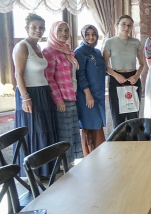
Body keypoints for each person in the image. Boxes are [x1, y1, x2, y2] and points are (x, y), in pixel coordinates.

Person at [13, 13, 58, 176]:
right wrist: (25, 98)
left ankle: (46, 169)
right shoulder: (22, 46)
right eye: (34, 27)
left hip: (43, 92)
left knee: (45, 129)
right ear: (27, 28)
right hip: (30, 93)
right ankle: (33, 171)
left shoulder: (38, 47)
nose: (38, 30)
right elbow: (18, 74)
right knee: (34, 130)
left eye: (41, 27)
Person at [43, 21, 83, 163]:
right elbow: (49, 78)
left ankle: (70, 163)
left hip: (72, 96)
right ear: (53, 32)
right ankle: (63, 164)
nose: (64, 33)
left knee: (72, 130)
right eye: (60, 30)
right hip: (61, 99)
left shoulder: (68, 51)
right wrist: (59, 100)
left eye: (66, 30)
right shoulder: (49, 51)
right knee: (64, 133)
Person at [103, 15, 145, 127]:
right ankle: (119, 139)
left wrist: (136, 75)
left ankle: (134, 138)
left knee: (133, 117)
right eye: (124, 24)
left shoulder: (136, 42)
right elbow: (104, 65)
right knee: (118, 117)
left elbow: (142, 63)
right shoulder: (110, 42)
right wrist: (115, 75)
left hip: (133, 79)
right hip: (116, 79)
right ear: (117, 25)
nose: (127, 27)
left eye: (129, 25)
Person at [74, 25, 107, 156]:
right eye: (87, 34)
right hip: (86, 95)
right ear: (83, 35)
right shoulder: (80, 52)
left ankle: (101, 157)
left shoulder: (97, 52)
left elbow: (102, 70)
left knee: (98, 125)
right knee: (90, 126)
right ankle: (90, 157)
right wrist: (88, 94)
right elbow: (80, 75)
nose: (91, 37)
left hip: (98, 94)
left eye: (93, 34)